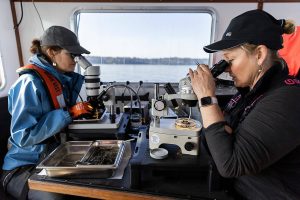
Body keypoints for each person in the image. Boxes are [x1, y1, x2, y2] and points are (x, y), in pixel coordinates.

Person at [189, 9, 300, 199]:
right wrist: (223, 133)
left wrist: (207, 97)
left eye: (230, 60)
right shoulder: (249, 92)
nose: (226, 70)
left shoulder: (289, 98)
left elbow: (231, 164)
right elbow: (219, 140)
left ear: (259, 54)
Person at [1, 26, 93, 200]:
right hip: (23, 167)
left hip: (50, 158)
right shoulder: (29, 83)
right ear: (52, 52)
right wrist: (70, 113)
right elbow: (24, 137)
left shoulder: (61, 80)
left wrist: (81, 112)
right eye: (71, 54)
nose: (76, 60)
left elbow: (60, 115)